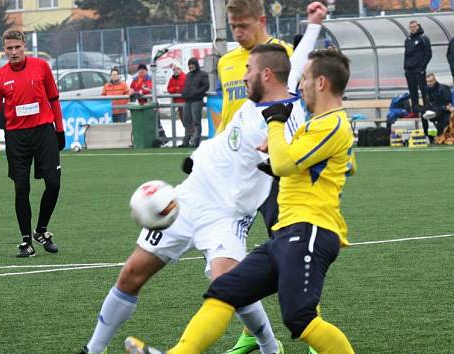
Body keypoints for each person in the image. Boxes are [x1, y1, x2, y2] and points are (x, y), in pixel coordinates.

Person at [80, 6, 326, 354]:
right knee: (132, 273)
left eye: (249, 71)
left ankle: (270, 348)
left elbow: (289, 161)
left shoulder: (284, 119)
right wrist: (313, 25)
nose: (243, 77)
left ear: (267, 75)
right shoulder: (274, 90)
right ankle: (93, 350)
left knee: (228, 284)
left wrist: (274, 155)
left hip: (228, 214)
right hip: (188, 196)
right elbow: (296, 60)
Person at [126, 46, 356, 354]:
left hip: (311, 230)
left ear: (322, 83)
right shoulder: (317, 124)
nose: (300, 85)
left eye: (304, 79)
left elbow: (287, 163)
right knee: (224, 291)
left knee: (300, 318)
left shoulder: (332, 123)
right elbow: (326, 162)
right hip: (289, 232)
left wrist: (274, 124)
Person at [0, 30, 65, 257]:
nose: (14, 52)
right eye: (9, 48)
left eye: (18, 47)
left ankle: (41, 230)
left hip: (44, 132)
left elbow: (54, 99)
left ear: (24, 46)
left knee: (54, 184)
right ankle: (27, 241)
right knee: (21, 188)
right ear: (4, 50)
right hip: (16, 137)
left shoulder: (41, 67)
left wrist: (60, 130)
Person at [215, 0, 294, 134]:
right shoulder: (225, 61)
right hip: (235, 147)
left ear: (262, 21)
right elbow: (228, 110)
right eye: (233, 26)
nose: (238, 33)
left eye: (243, 26)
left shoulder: (285, 54)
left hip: (271, 144)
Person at [403, 20, 432, 117]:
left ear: (418, 26)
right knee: (412, 91)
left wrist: (422, 67)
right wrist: (406, 67)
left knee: (424, 90)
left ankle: (427, 109)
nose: (413, 28)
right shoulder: (408, 39)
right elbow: (407, 55)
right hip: (409, 70)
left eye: (414, 27)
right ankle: (415, 111)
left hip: (419, 70)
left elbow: (428, 54)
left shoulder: (423, 38)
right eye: (411, 27)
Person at [181, 57, 209, 148]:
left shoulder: (203, 74)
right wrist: (184, 93)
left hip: (197, 100)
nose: (190, 66)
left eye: (192, 64)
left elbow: (206, 86)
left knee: (196, 121)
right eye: (189, 64)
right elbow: (185, 86)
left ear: (196, 64)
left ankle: (196, 140)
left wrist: (196, 93)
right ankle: (186, 140)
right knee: (186, 121)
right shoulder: (188, 75)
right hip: (187, 100)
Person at [422, 73, 451, 139]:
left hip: (445, 111)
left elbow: (449, 103)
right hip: (437, 110)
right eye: (427, 81)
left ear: (435, 80)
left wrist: (442, 108)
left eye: (430, 81)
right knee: (422, 112)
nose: (429, 83)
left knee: (442, 133)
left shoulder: (443, 89)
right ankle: (425, 134)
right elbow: (430, 102)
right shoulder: (427, 89)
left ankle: (442, 134)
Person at [166, 64, 186, 145]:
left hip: (185, 103)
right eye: (174, 69)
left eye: (177, 69)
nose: (176, 70)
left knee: (188, 122)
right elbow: (169, 89)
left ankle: (191, 137)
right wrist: (176, 89)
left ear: (181, 69)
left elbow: (183, 88)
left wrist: (177, 89)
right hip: (178, 104)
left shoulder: (184, 77)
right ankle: (189, 137)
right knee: (184, 121)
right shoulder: (172, 79)